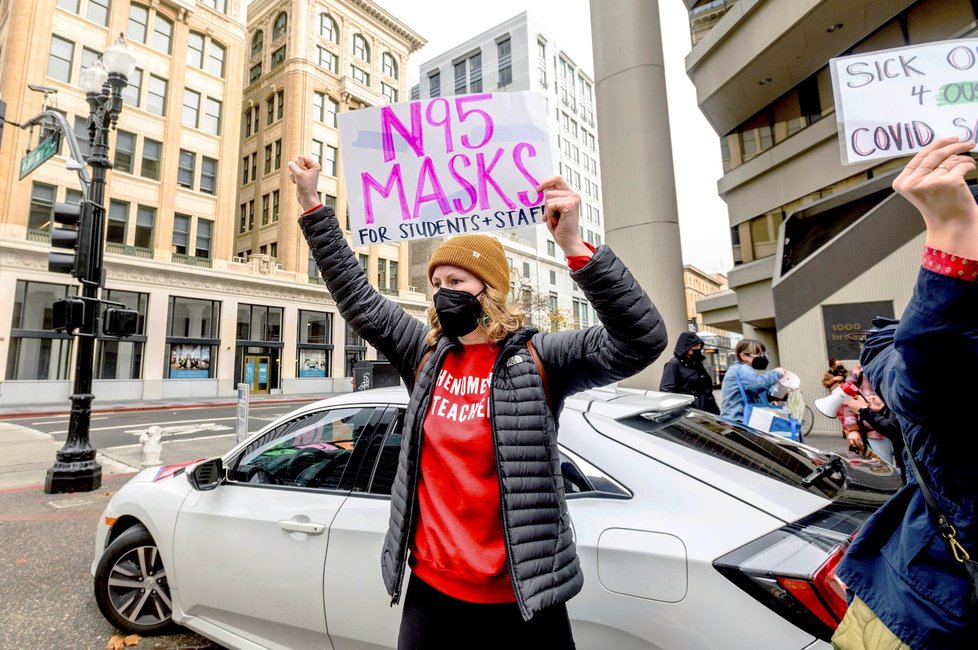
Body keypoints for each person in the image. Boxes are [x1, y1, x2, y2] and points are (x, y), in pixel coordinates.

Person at [289, 155, 668, 649]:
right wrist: (312, 204)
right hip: (432, 593)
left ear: (489, 291)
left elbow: (642, 339)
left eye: (457, 282)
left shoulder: (541, 358)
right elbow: (358, 297)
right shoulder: (424, 353)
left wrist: (575, 247)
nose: (444, 293)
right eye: (437, 284)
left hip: (523, 599)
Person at [832, 137, 978, 649]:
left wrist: (951, 236)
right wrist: (953, 243)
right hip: (927, 599)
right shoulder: (921, 347)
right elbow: (905, 363)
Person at [719, 339, 786, 424]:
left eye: (763, 354)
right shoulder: (742, 369)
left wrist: (777, 394)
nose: (762, 357)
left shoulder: (743, 369)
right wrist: (777, 373)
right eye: (758, 354)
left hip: (740, 420)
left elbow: (758, 392)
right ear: (743, 356)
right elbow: (758, 385)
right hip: (738, 422)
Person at [843, 392, 905, 482]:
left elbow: (894, 429)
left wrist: (864, 410)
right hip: (876, 431)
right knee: (884, 468)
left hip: (911, 452)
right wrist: (882, 408)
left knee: (886, 470)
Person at [659, 331, 719, 414]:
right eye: (694, 347)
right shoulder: (674, 364)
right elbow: (666, 390)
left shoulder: (697, 364)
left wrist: (715, 412)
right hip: (687, 413)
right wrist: (682, 408)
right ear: (686, 348)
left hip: (705, 412)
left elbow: (706, 390)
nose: (698, 349)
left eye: (699, 346)